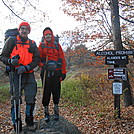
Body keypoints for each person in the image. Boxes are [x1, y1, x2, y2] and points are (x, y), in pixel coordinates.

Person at [0, 22, 40, 132]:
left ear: (29, 31)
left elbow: (37, 59)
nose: (24, 30)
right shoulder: (12, 41)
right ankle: (16, 123)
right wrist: (10, 61)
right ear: (19, 30)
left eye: (26, 29)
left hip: (29, 74)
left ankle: (29, 121)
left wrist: (27, 67)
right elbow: (2, 56)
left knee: (31, 98)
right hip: (15, 74)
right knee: (16, 99)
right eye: (22, 28)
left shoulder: (32, 43)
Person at [38, 27, 67, 122]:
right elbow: (37, 58)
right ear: (44, 36)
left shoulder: (57, 45)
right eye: (46, 35)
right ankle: (46, 113)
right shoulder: (41, 46)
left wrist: (63, 72)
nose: (48, 36)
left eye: (49, 34)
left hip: (57, 72)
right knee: (46, 91)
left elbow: (62, 59)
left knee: (56, 91)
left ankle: (56, 112)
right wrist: (43, 66)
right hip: (46, 72)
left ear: (52, 35)